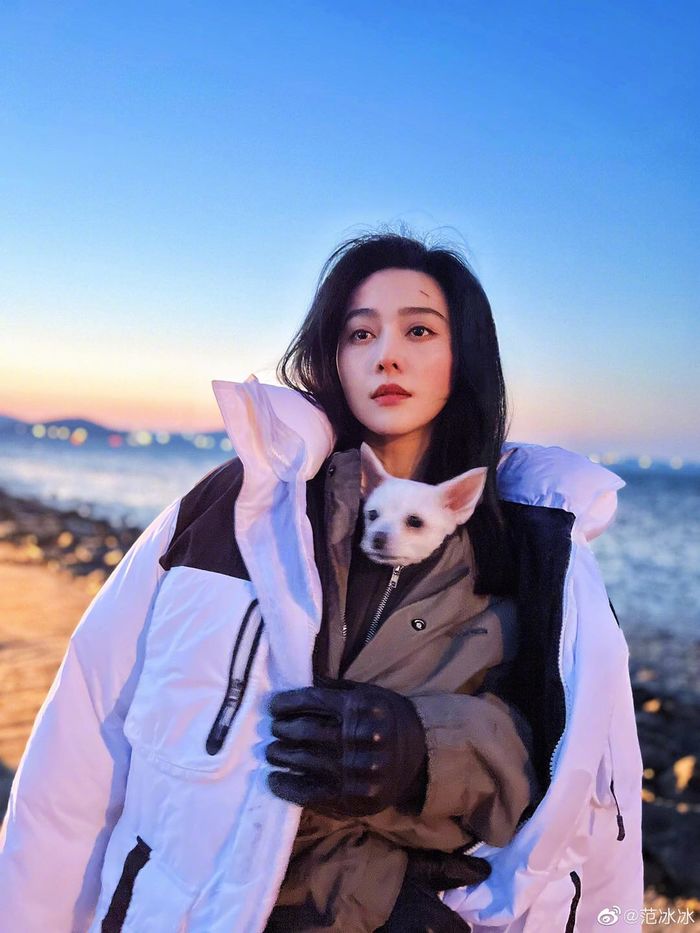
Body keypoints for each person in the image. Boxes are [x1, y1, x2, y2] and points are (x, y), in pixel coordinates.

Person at [0, 230, 644, 932]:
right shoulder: (235, 508)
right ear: (332, 356)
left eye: (419, 330)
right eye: (359, 333)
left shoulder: (529, 555)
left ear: (464, 356)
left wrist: (422, 748)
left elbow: (572, 787)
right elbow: (86, 730)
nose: (386, 355)